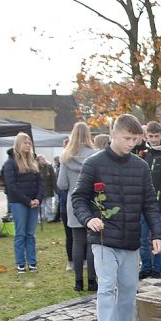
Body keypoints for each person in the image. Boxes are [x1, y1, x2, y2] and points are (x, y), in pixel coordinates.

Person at [71, 114, 161, 321]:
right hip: (102, 238)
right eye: (127, 138)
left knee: (129, 289)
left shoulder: (141, 166)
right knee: (106, 287)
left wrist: (157, 234)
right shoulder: (94, 164)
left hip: (131, 238)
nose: (131, 143)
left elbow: (150, 204)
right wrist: (88, 218)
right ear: (113, 134)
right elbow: (78, 197)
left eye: (135, 139)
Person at [57, 122, 98, 292]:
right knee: (91, 243)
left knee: (77, 241)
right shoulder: (96, 155)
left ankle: (78, 281)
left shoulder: (66, 157)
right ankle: (92, 280)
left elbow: (62, 183)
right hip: (92, 203)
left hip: (73, 203)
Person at [3, 133, 43, 273]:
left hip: (34, 202)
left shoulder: (34, 162)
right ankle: (20, 262)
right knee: (21, 233)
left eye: (29, 143)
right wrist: (27, 201)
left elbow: (40, 183)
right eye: (25, 143)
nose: (27, 145)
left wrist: (39, 198)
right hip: (19, 203)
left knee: (30, 234)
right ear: (18, 144)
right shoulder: (11, 163)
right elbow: (11, 186)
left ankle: (32, 262)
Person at [138, 121, 161, 279]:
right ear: (146, 136)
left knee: (159, 236)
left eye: (156, 136)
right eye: (150, 136)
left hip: (159, 205)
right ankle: (145, 267)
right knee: (142, 238)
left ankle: (157, 269)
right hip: (142, 204)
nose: (153, 139)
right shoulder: (142, 153)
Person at [37, 154, 56, 222]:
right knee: (41, 205)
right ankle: (41, 217)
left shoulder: (49, 167)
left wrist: (55, 188)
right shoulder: (36, 168)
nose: (44, 160)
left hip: (49, 188)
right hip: (40, 190)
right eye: (42, 159)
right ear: (38, 161)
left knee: (49, 204)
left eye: (44, 158)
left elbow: (53, 178)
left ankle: (50, 217)